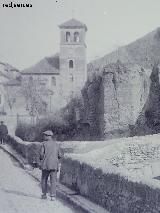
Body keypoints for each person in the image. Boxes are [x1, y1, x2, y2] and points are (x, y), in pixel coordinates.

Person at [39, 130, 62, 201]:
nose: (44, 136)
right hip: (54, 165)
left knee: (44, 179)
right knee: (53, 181)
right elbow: (60, 155)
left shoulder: (44, 144)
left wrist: (41, 158)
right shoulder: (56, 144)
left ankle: (44, 194)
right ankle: (53, 196)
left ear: (48, 136)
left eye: (44, 135)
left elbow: (41, 155)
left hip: (46, 165)